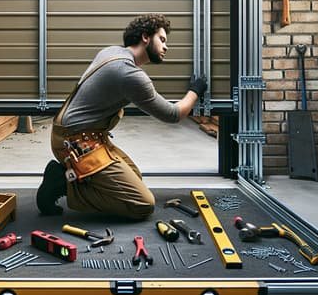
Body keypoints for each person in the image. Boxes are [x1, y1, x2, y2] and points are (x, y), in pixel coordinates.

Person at [36, 13, 208, 220]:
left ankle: (78, 178)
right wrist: (195, 91)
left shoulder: (111, 52)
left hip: (79, 135)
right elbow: (173, 114)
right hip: (75, 143)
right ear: (145, 37)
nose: (166, 47)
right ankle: (63, 183)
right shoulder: (130, 75)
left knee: (134, 177)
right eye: (161, 39)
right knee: (142, 204)